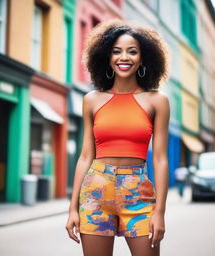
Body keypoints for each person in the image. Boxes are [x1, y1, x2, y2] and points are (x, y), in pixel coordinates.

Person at [65, 19, 170, 256]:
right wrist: (73, 208)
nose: (124, 57)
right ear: (107, 58)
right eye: (117, 51)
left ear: (143, 58)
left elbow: (161, 159)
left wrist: (160, 211)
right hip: (94, 193)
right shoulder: (91, 100)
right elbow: (85, 156)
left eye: (132, 52)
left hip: (138, 194)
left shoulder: (157, 101)